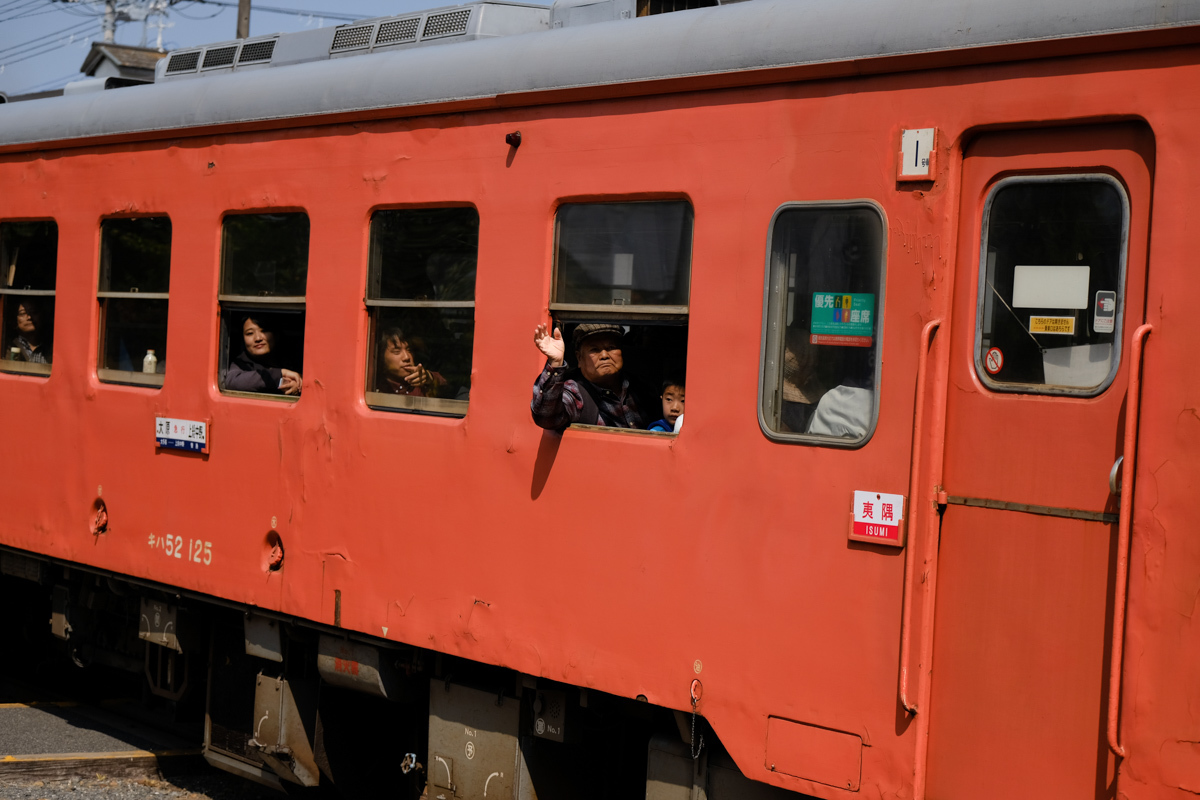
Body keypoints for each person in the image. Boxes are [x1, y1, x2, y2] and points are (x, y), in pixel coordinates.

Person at [531, 322, 646, 431]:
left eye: (611, 347)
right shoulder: (575, 392)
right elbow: (547, 418)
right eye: (594, 350)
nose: (604, 355)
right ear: (579, 358)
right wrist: (556, 363)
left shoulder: (640, 387)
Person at [224, 316, 302, 396]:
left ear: (276, 334)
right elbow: (232, 382)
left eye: (264, 331)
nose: (258, 338)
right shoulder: (240, 363)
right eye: (250, 333)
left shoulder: (292, 358)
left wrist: (298, 384)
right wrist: (281, 373)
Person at [375, 327, 448, 397]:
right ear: (381, 357)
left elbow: (447, 387)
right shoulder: (373, 387)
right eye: (397, 352)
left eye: (409, 350)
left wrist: (429, 378)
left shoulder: (421, 386)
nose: (407, 357)